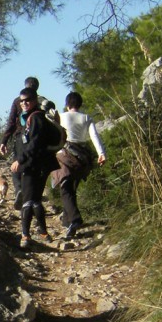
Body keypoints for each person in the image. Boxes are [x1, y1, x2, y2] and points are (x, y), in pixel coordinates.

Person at [9, 88, 60, 249]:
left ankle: (25, 235)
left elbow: (34, 143)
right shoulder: (31, 117)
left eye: (28, 100)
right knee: (35, 200)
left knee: (28, 200)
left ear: (35, 101)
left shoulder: (36, 118)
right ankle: (44, 233)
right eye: (21, 101)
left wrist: (20, 160)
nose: (24, 103)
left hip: (34, 165)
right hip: (40, 164)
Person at [54, 91, 107, 238]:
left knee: (65, 188)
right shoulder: (86, 118)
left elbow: (54, 135)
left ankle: (75, 219)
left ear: (67, 104)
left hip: (64, 155)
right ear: (80, 103)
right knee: (72, 188)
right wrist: (101, 153)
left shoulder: (61, 117)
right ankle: (67, 221)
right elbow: (94, 136)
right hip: (82, 156)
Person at [0, 77, 49, 208]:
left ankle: (20, 191)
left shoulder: (18, 101)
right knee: (34, 172)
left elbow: (11, 122)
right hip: (40, 142)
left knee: (16, 168)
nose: (25, 103)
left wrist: (4, 141)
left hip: (20, 139)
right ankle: (33, 200)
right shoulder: (43, 101)